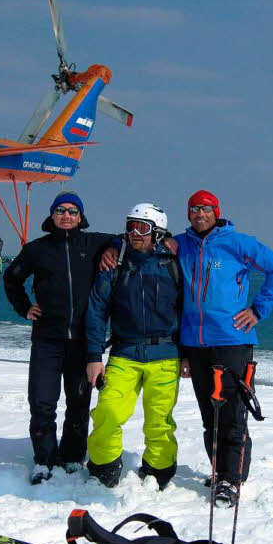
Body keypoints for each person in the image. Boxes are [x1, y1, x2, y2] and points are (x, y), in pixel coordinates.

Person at [176, 190, 273, 508]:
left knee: (232, 414)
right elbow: (146, 246)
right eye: (194, 209)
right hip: (195, 346)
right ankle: (220, 471)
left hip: (233, 342)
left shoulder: (237, 242)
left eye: (205, 209)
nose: (200, 213)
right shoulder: (181, 245)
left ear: (216, 211)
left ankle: (232, 479)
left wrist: (258, 309)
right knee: (208, 414)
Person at [3, 192, 116, 484]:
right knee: (42, 401)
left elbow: (125, 238)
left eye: (73, 211)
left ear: (81, 217)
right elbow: (11, 277)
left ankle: (72, 456)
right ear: (52, 215)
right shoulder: (36, 249)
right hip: (47, 339)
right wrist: (24, 308)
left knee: (78, 402)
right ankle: (44, 458)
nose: (67, 216)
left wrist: (112, 250)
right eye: (61, 211)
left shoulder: (93, 244)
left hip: (82, 340)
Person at [83, 203, 183, 489]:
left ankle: (159, 470)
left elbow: (189, 309)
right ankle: (104, 465)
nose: (134, 233)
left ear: (158, 232)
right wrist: (93, 355)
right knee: (108, 411)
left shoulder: (174, 264)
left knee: (159, 421)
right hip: (124, 353)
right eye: (130, 226)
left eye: (142, 227)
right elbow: (97, 309)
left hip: (165, 354)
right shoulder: (115, 263)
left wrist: (188, 355)